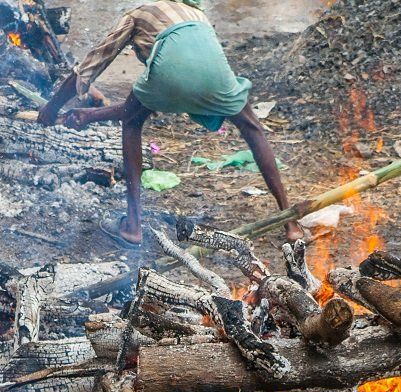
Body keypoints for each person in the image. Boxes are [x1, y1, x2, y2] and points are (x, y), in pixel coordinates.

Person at [36, 0, 303, 248]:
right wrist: (89, 115)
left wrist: (52, 108)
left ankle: (133, 225)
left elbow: (92, 65)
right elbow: (197, 74)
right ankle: (291, 223)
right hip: (218, 77)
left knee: (132, 125)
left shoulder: (137, 14)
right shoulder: (198, 14)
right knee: (252, 127)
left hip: (169, 74)